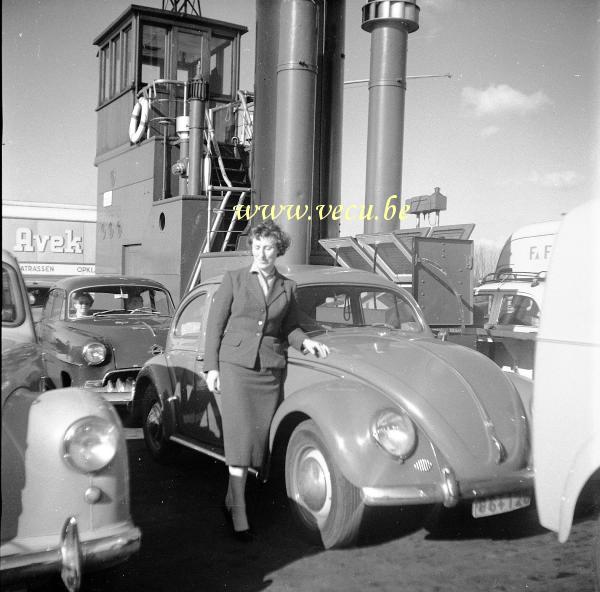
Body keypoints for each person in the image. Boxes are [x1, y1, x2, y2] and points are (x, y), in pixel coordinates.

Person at [204, 221, 329, 542]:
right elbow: (214, 327)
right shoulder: (234, 280)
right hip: (236, 368)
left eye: (269, 247)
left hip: (269, 371)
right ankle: (240, 513)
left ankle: (231, 499)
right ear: (251, 248)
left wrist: (307, 343)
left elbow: (290, 327)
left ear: (278, 250)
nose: (262, 253)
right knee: (239, 438)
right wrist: (212, 368)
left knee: (257, 442)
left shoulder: (288, 287)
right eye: (257, 247)